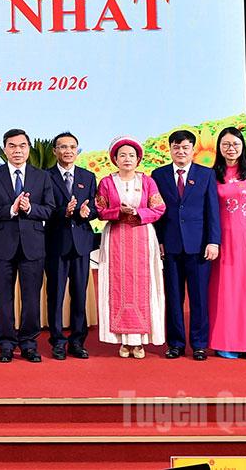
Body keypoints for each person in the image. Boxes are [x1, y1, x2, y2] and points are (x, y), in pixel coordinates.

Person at [0, 129, 56, 363]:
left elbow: (50, 209)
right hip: (2, 246)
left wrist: (30, 208)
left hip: (33, 246)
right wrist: (11, 210)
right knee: (3, 298)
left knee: (31, 298)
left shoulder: (42, 176)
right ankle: (5, 344)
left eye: (22, 146)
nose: (17, 150)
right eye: (12, 146)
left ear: (28, 149)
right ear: (5, 149)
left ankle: (29, 344)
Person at [94, 137, 166, 358]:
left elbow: (159, 208)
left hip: (142, 235)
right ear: (115, 159)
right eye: (122, 155)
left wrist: (137, 212)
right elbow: (100, 210)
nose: (127, 159)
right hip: (116, 236)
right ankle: (123, 341)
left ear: (138, 159)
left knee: (143, 284)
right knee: (118, 285)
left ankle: (139, 341)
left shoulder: (147, 182)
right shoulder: (107, 182)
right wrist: (118, 211)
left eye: (131, 155)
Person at [153, 130, 220, 361]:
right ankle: (176, 344)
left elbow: (212, 210)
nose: (181, 152)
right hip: (170, 246)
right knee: (173, 297)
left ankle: (199, 344)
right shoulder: (159, 175)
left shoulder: (206, 174)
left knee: (199, 298)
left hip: (199, 245)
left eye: (185, 147)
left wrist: (213, 241)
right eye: (176, 147)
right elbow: (157, 212)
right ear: (170, 149)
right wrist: (159, 241)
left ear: (193, 150)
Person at [208, 127, 246, 359]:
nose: (231, 148)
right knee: (226, 291)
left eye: (235, 144)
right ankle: (226, 342)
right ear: (219, 147)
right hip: (223, 240)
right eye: (225, 144)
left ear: (242, 145)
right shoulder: (212, 174)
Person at [43, 132, 97, 360]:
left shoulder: (88, 176)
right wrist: (63, 212)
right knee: (55, 295)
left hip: (81, 244)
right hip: (56, 243)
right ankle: (57, 341)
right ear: (55, 151)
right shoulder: (45, 176)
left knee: (79, 295)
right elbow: (43, 208)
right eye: (63, 147)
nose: (68, 151)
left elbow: (95, 206)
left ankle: (77, 341)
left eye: (72, 147)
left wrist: (87, 212)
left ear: (77, 150)